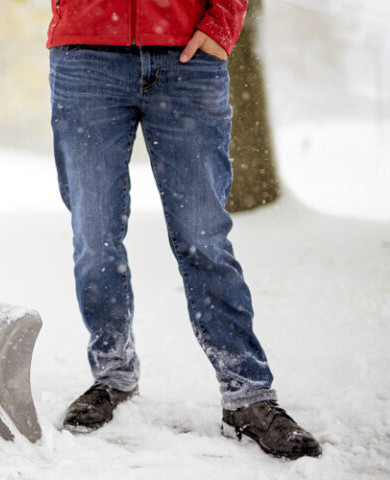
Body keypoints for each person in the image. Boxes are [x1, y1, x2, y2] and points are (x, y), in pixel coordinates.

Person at [47, 0, 321, 459]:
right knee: (95, 236)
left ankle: (246, 395)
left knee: (203, 239)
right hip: (86, 57)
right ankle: (112, 375)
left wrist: (222, 24)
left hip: (188, 56)